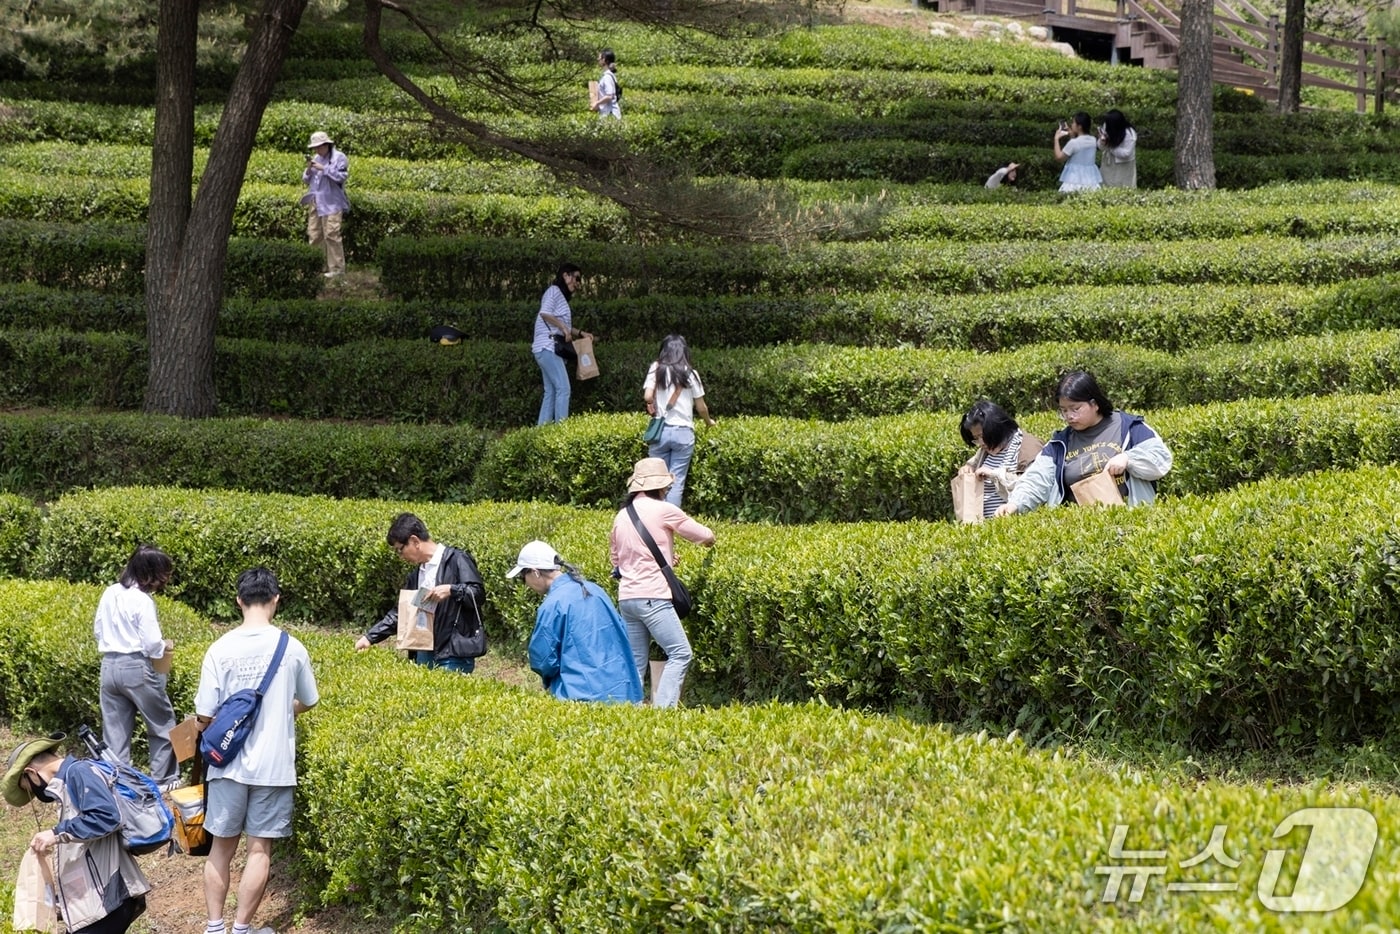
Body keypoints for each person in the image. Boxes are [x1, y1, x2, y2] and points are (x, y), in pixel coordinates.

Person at [196, 568, 318, 934]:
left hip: (227, 766)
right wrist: (280, 710)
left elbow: (204, 714)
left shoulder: (219, 649)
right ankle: (242, 928)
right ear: (276, 599)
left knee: (221, 848)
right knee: (259, 850)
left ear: (239, 601)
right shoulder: (292, 647)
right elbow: (309, 701)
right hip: (274, 767)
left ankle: (215, 927)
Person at [2, 733, 152, 933]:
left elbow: (108, 816)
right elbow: (85, 849)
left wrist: (56, 833)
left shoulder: (79, 772)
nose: (35, 795)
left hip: (111, 899)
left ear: (31, 772)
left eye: (28, 788)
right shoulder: (68, 784)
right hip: (101, 903)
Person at [609, 458, 716, 708]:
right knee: (680, 653)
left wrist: (665, 558)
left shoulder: (621, 516)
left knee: (635, 660)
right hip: (653, 596)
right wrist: (712, 539)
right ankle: (663, 713)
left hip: (627, 598)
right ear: (660, 487)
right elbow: (701, 534)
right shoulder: (663, 509)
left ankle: (629, 711)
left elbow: (617, 560)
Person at [996, 371, 1172, 516]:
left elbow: (1160, 457)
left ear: (1094, 404)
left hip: (1132, 519)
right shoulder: (1059, 443)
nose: (1069, 416)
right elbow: (1037, 478)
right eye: (1063, 410)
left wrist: (1128, 458)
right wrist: (1015, 504)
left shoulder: (1129, 427)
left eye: (1075, 408)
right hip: (1083, 529)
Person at [93, 544, 181, 792]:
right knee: (162, 722)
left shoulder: (110, 592)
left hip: (109, 665)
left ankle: (117, 782)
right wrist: (164, 646)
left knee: (115, 729)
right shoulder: (142, 600)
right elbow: (153, 643)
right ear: (150, 573)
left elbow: (98, 629)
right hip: (136, 667)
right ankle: (164, 780)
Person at [509, 540, 642, 703]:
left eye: (523, 577)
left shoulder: (553, 604)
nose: (525, 584)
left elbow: (543, 658)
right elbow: (622, 631)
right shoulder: (595, 589)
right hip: (621, 686)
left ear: (535, 572)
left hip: (581, 693)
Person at [354, 513, 488, 674]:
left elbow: (478, 594)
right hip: (423, 649)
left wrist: (452, 590)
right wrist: (370, 637)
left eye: (400, 550)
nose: (400, 556)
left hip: (453, 652)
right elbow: (401, 613)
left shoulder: (457, 560)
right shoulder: (417, 574)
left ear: (414, 541)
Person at [643, 334, 715, 507]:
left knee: (657, 480)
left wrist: (651, 402)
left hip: (660, 431)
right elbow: (701, 407)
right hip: (683, 432)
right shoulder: (690, 373)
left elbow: (646, 395)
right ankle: (671, 521)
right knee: (676, 480)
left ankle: (653, 519)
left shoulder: (656, 367)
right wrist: (708, 422)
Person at [957, 401, 1045, 519]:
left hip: (1011, 524)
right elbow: (973, 463)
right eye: (976, 438)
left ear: (997, 428)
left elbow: (1035, 486)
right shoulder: (986, 449)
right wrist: (967, 468)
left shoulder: (1027, 447)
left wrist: (994, 474)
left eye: (983, 436)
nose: (981, 443)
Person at [532, 264, 589, 426]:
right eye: (576, 278)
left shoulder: (560, 296)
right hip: (548, 346)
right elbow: (545, 312)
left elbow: (560, 322)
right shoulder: (554, 291)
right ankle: (561, 432)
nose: (577, 283)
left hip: (544, 348)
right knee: (564, 389)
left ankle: (542, 432)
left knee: (550, 391)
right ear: (566, 276)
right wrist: (564, 328)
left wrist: (581, 333)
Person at [301, 130, 349, 278]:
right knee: (315, 234)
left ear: (327, 145)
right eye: (314, 148)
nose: (316, 150)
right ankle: (316, 266)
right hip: (317, 201)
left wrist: (324, 169)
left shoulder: (339, 157)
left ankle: (336, 269)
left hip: (332, 202)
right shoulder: (316, 157)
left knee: (332, 234)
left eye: (319, 147)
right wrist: (309, 168)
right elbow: (305, 179)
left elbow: (341, 177)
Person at [1053, 112, 1102, 192]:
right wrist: (1072, 135)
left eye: (1073, 122)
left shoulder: (1073, 143)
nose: (1072, 125)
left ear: (1079, 126)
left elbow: (1059, 157)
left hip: (1073, 179)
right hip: (1090, 179)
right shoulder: (1093, 140)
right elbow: (1079, 149)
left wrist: (1056, 139)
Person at [1098, 109, 1138, 189]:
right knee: (1106, 185)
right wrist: (1102, 141)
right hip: (1108, 164)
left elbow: (1126, 154)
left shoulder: (1129, 134)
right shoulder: (1107, 126)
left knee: (1124, 187)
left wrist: (1110, 147)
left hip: (1123, 166)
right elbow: (1100, 147)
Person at [592, 49, 621, 119]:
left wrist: (597, 103)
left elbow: (609, 96)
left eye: (599, 58)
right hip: (607, 113)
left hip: (610, 114)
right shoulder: (608, 75)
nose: (598, 60)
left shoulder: (607, 77)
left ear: (604, 60)